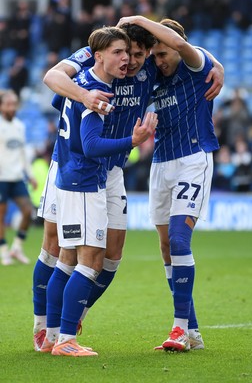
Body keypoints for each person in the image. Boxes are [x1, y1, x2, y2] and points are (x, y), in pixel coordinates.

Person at [33, 22, 224, 351]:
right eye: (122, 53)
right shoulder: (94, 67)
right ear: (105, 53)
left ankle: (72, 320)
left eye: (137, 54)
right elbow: (53, 78)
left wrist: (216, 64)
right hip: (72, 164)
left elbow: (182, 49)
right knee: (59, 249)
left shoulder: (148, 69)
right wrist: (86, 96)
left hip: (111, 169)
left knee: (111, 255)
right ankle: (47, 330)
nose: (130, 60)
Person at [40, 25, 158, 356]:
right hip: (85, 178)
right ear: (99, 56)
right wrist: (133, 140)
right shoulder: (95, 92)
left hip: (75, 177)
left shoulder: (85, 86)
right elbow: (91, 146)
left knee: (68, 260)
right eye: (119, 53)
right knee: (89, 260)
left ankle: (53, 335)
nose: (126, 60)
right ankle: (65, 338)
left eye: (130, 53)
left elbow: (64, 108)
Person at [117, 15, 220, 352]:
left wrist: (134, 18)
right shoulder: (150, 76)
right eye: (154, 56)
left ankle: (177, 329)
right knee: (165, 247)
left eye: (163, 54)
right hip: (161, 164)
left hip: (194, 159)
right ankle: (193, 332)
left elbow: (179, 43)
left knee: (179, 238)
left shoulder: (194, 65)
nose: (158, 61)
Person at [0, 90, 37, 266]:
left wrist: (30, 175)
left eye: (14, 104)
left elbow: (22, 154)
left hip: (16, 177)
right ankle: (4, 251)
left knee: (28, 212)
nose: (12, 108)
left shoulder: (20, 126)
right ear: (1, 106)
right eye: (8, 104)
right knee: (1, 217)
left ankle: (17, 247)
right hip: (1, 179)